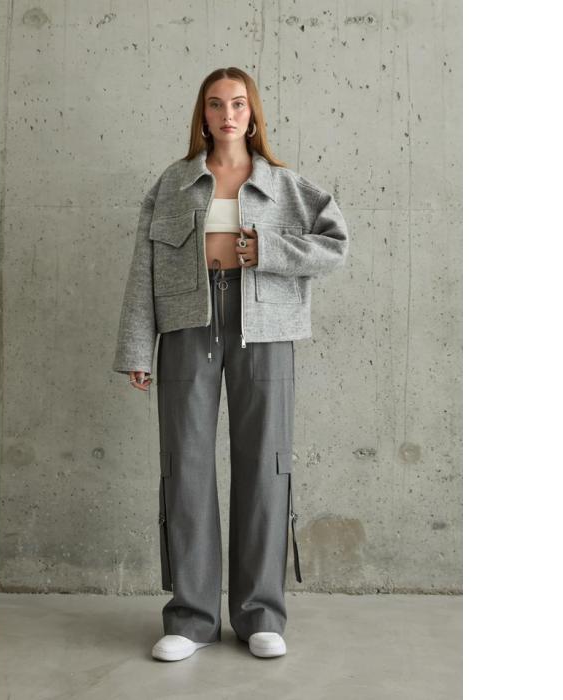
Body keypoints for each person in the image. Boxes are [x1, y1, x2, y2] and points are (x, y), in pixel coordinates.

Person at [112, 67, 349, 662]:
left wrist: (266, 249)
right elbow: (143, 270)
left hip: (265, 329)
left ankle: (260, 614)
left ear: (252, 113)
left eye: (238, 104)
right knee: (185, 467)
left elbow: (335, 245)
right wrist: (138, 349)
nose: (227, 115)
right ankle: (191, 619)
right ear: (203, 113)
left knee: (266, 466)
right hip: (187, 326)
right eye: (216, 104)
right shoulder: (174, 183)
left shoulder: (284, 185)